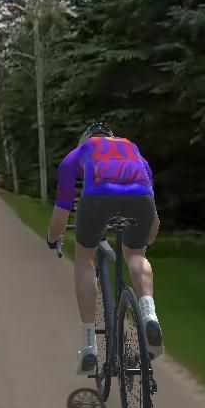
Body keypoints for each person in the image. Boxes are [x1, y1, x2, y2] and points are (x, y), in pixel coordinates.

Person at [44, 121, 163, 374]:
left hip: (97, 197)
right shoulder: (133, 150)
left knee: (84, 259)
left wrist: (53, 239)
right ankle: (149, 314)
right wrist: (145, 241)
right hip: (141, 199)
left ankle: (90, 346)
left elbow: (61, 212)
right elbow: (153, 220)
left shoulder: (77, 153)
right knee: (136, 256)